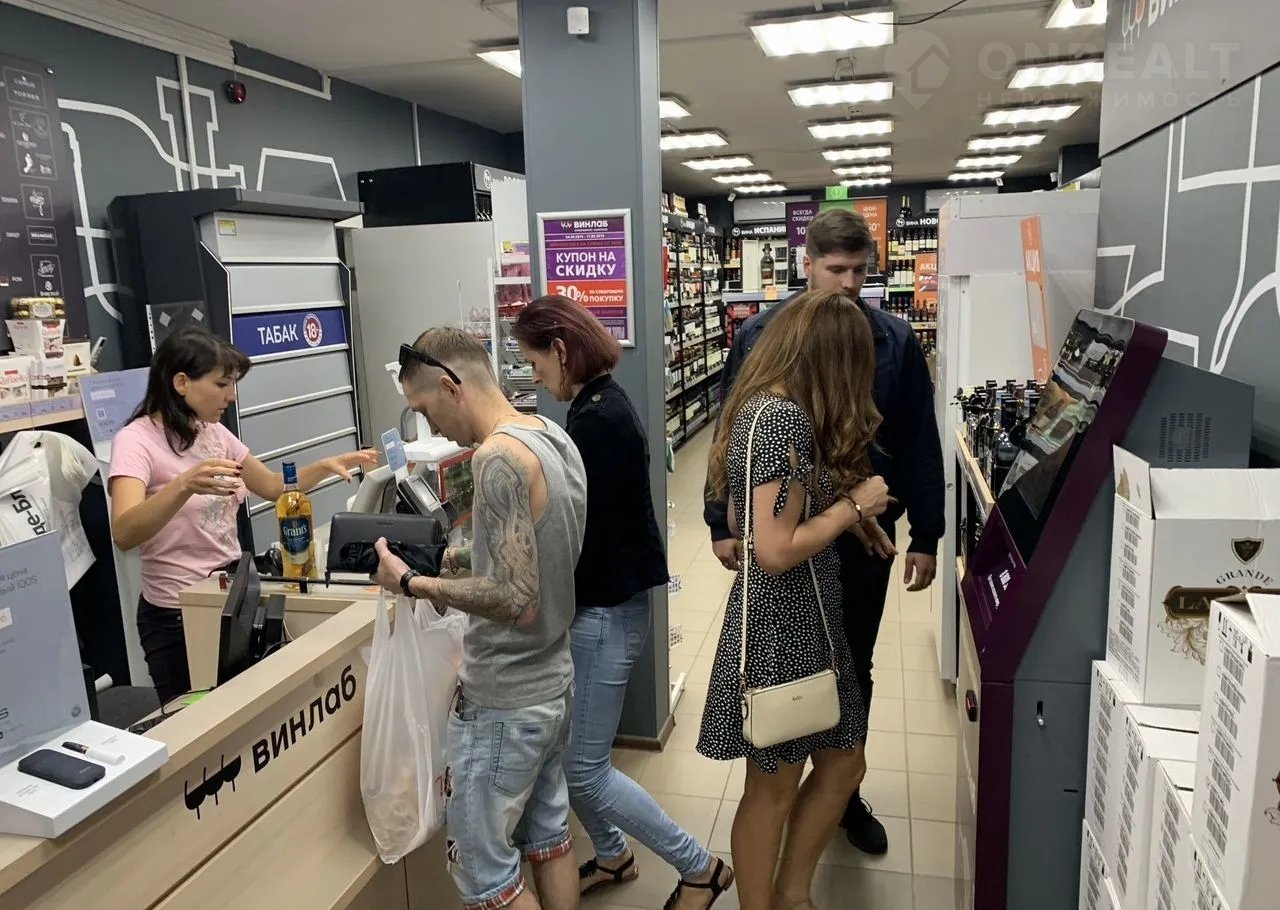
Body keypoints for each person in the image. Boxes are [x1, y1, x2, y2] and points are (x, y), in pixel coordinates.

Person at [703, 208, 945, 854]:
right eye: (836, 269)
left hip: (865, 541)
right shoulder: (762, 336)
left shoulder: (893, 340)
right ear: (805, 264)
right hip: (789, 537)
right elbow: (731, 431)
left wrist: (927, 533)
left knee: (851, 666)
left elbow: (919, 442)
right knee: (786, 678)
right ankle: (781, 794)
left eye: (860, 271)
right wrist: (718, 520)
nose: (848, 283)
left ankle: (840, 795)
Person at [512, 296, 735, 910]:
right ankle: (613, 854)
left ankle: (701, 869)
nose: (535, 376)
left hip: (607, 615)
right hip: (609, 606)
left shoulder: (596, 421)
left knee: (584, 770)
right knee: (575, 758)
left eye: (535, 361)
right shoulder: (599, 404)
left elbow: (574, 531)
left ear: (560, 350)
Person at [370, 327, 587, 910]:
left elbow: (517, 599)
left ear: (450, 386)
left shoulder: (496, 458)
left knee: (486, 877)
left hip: (503, 702)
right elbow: (540, 550)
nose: (432, 426)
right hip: (552, 684)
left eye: (424, 410)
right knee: (550, 838)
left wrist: (412, 582)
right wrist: (457, 560)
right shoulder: (551, 436)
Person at [699, 291, 892, 910]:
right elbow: (774, 550)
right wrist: (853, 507)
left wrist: (842, 511)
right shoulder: (780, 421)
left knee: (843, 762)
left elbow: (751, 514)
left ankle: (792, 894)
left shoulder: (772, 410)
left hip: (808, 618)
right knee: (774, 787)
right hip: (784, 625)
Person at [108, 326, 376, 703]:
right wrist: (184, 485)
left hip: (232, 601)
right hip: (177, 616)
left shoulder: (213, 433)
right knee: (195, 722)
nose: (231, 396)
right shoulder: (136, 442)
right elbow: (124, 532)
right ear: (181, 383)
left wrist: (325, 466)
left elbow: (273, 486)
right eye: (221, 384)